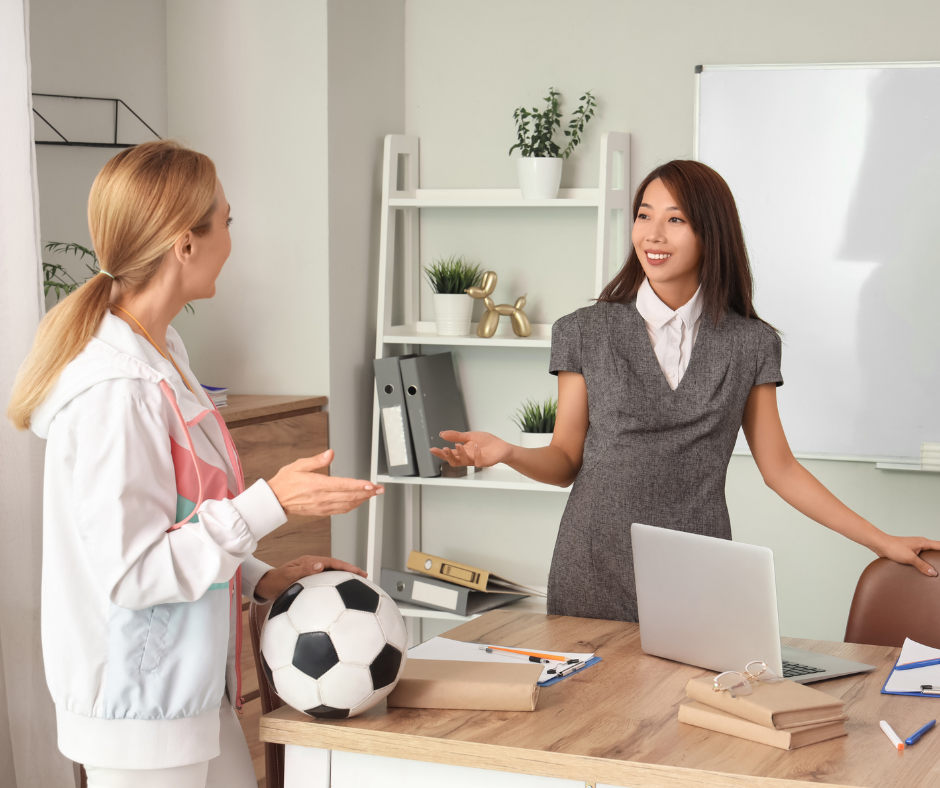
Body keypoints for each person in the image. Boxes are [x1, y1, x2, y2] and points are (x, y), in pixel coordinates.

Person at [7, 141, 382, 788]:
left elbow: (180, 523)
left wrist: (260, 577)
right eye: (226, 222)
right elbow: (133, 572)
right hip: (141, 717)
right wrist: (273, 502)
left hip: (190, 696)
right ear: (185, 245)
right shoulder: (117, 391)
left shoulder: (164, 353)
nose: (232, 240)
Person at [432, 159, 940, 622]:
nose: (653, 234)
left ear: (709, 233)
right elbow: (565, 458)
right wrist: (505, 452)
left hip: (699, 574)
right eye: (644, 215)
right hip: (592, 568)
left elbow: (780, 469)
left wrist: (881, 541)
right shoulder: (584, 331)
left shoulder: (750, 344)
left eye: (675, 219)